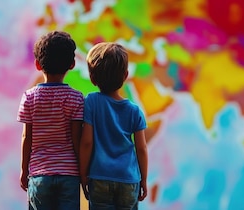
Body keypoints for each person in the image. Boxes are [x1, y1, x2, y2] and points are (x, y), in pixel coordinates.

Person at [17, 31, 84, 210]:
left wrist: (24, 170)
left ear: (37, 65)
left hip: (40, 175)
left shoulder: (29, 98)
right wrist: (84, 173)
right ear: (72, 64)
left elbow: (27, 138)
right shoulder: (76, 98)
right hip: (69, 176)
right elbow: (77, 140)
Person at [79, 42, 149, 209]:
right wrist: (143, 180)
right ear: (125, 76)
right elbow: (141, 149)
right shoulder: (134, 111)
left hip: (100, 178)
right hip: (129, 180)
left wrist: (83, 175)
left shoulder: (91, 102)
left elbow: (87, 142)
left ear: (92, 78)